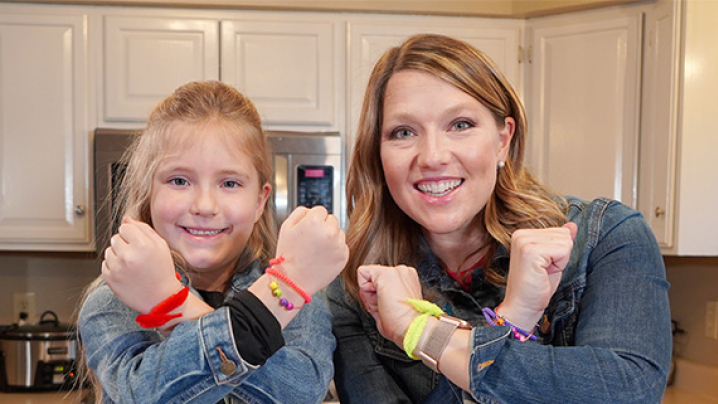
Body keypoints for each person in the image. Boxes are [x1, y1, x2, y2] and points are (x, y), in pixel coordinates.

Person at [326, 33, 671, 404]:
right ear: (378, 152)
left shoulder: (605, 237)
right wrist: (513, 319)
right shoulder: (355, 285)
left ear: (503, 139)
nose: (432, 156)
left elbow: (629, 393)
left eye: (459, 124)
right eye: (403, 132)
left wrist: (423, 333)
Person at [78, 81, 349, 404]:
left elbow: (300, 391)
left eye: (230, 183)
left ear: (260, 201)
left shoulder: (302, 295)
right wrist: (280, 294)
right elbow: (142, 395)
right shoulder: (113, 299)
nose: (205, 206)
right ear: (149, 192)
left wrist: (173, 305)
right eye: (179, 180)